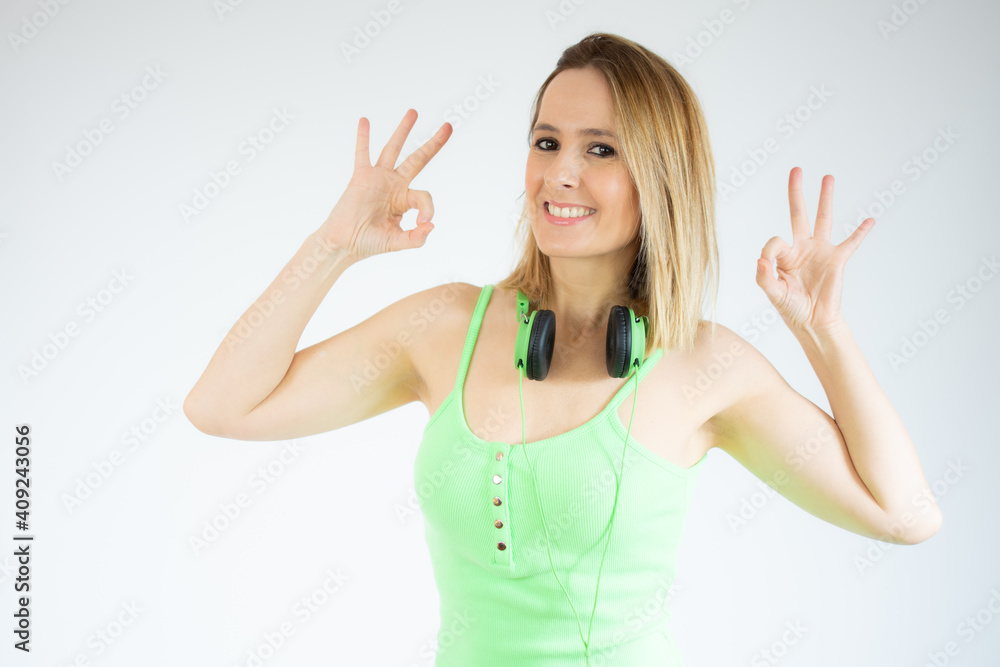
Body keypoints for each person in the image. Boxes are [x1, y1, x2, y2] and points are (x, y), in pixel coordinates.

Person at [184, 31, 943, 667]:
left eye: (601, 149)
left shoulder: (704, 365)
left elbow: (905, 514)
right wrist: (334, 245)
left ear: (660, 178)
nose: (561, 173)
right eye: (546, 142)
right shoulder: (447, 327)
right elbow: (221, 406)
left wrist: (824, 333)